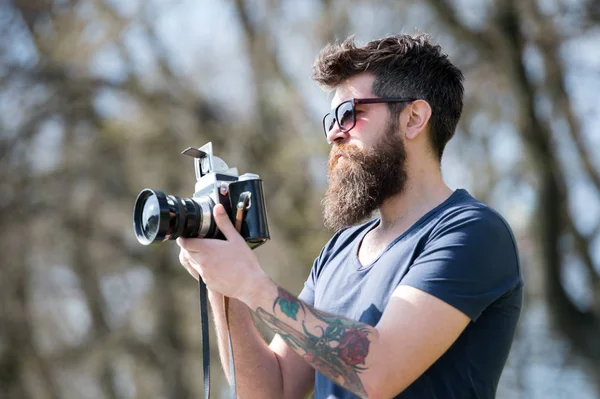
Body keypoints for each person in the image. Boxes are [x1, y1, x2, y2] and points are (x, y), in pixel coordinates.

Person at [177, 33, 523, 399]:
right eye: (330, 120)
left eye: (348, 114)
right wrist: (222, 283)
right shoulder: (337, 252)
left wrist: (251, 284)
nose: (333, 135)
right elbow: (271, 391)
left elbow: (380, 371)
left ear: (413, 118)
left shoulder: (471, 232)